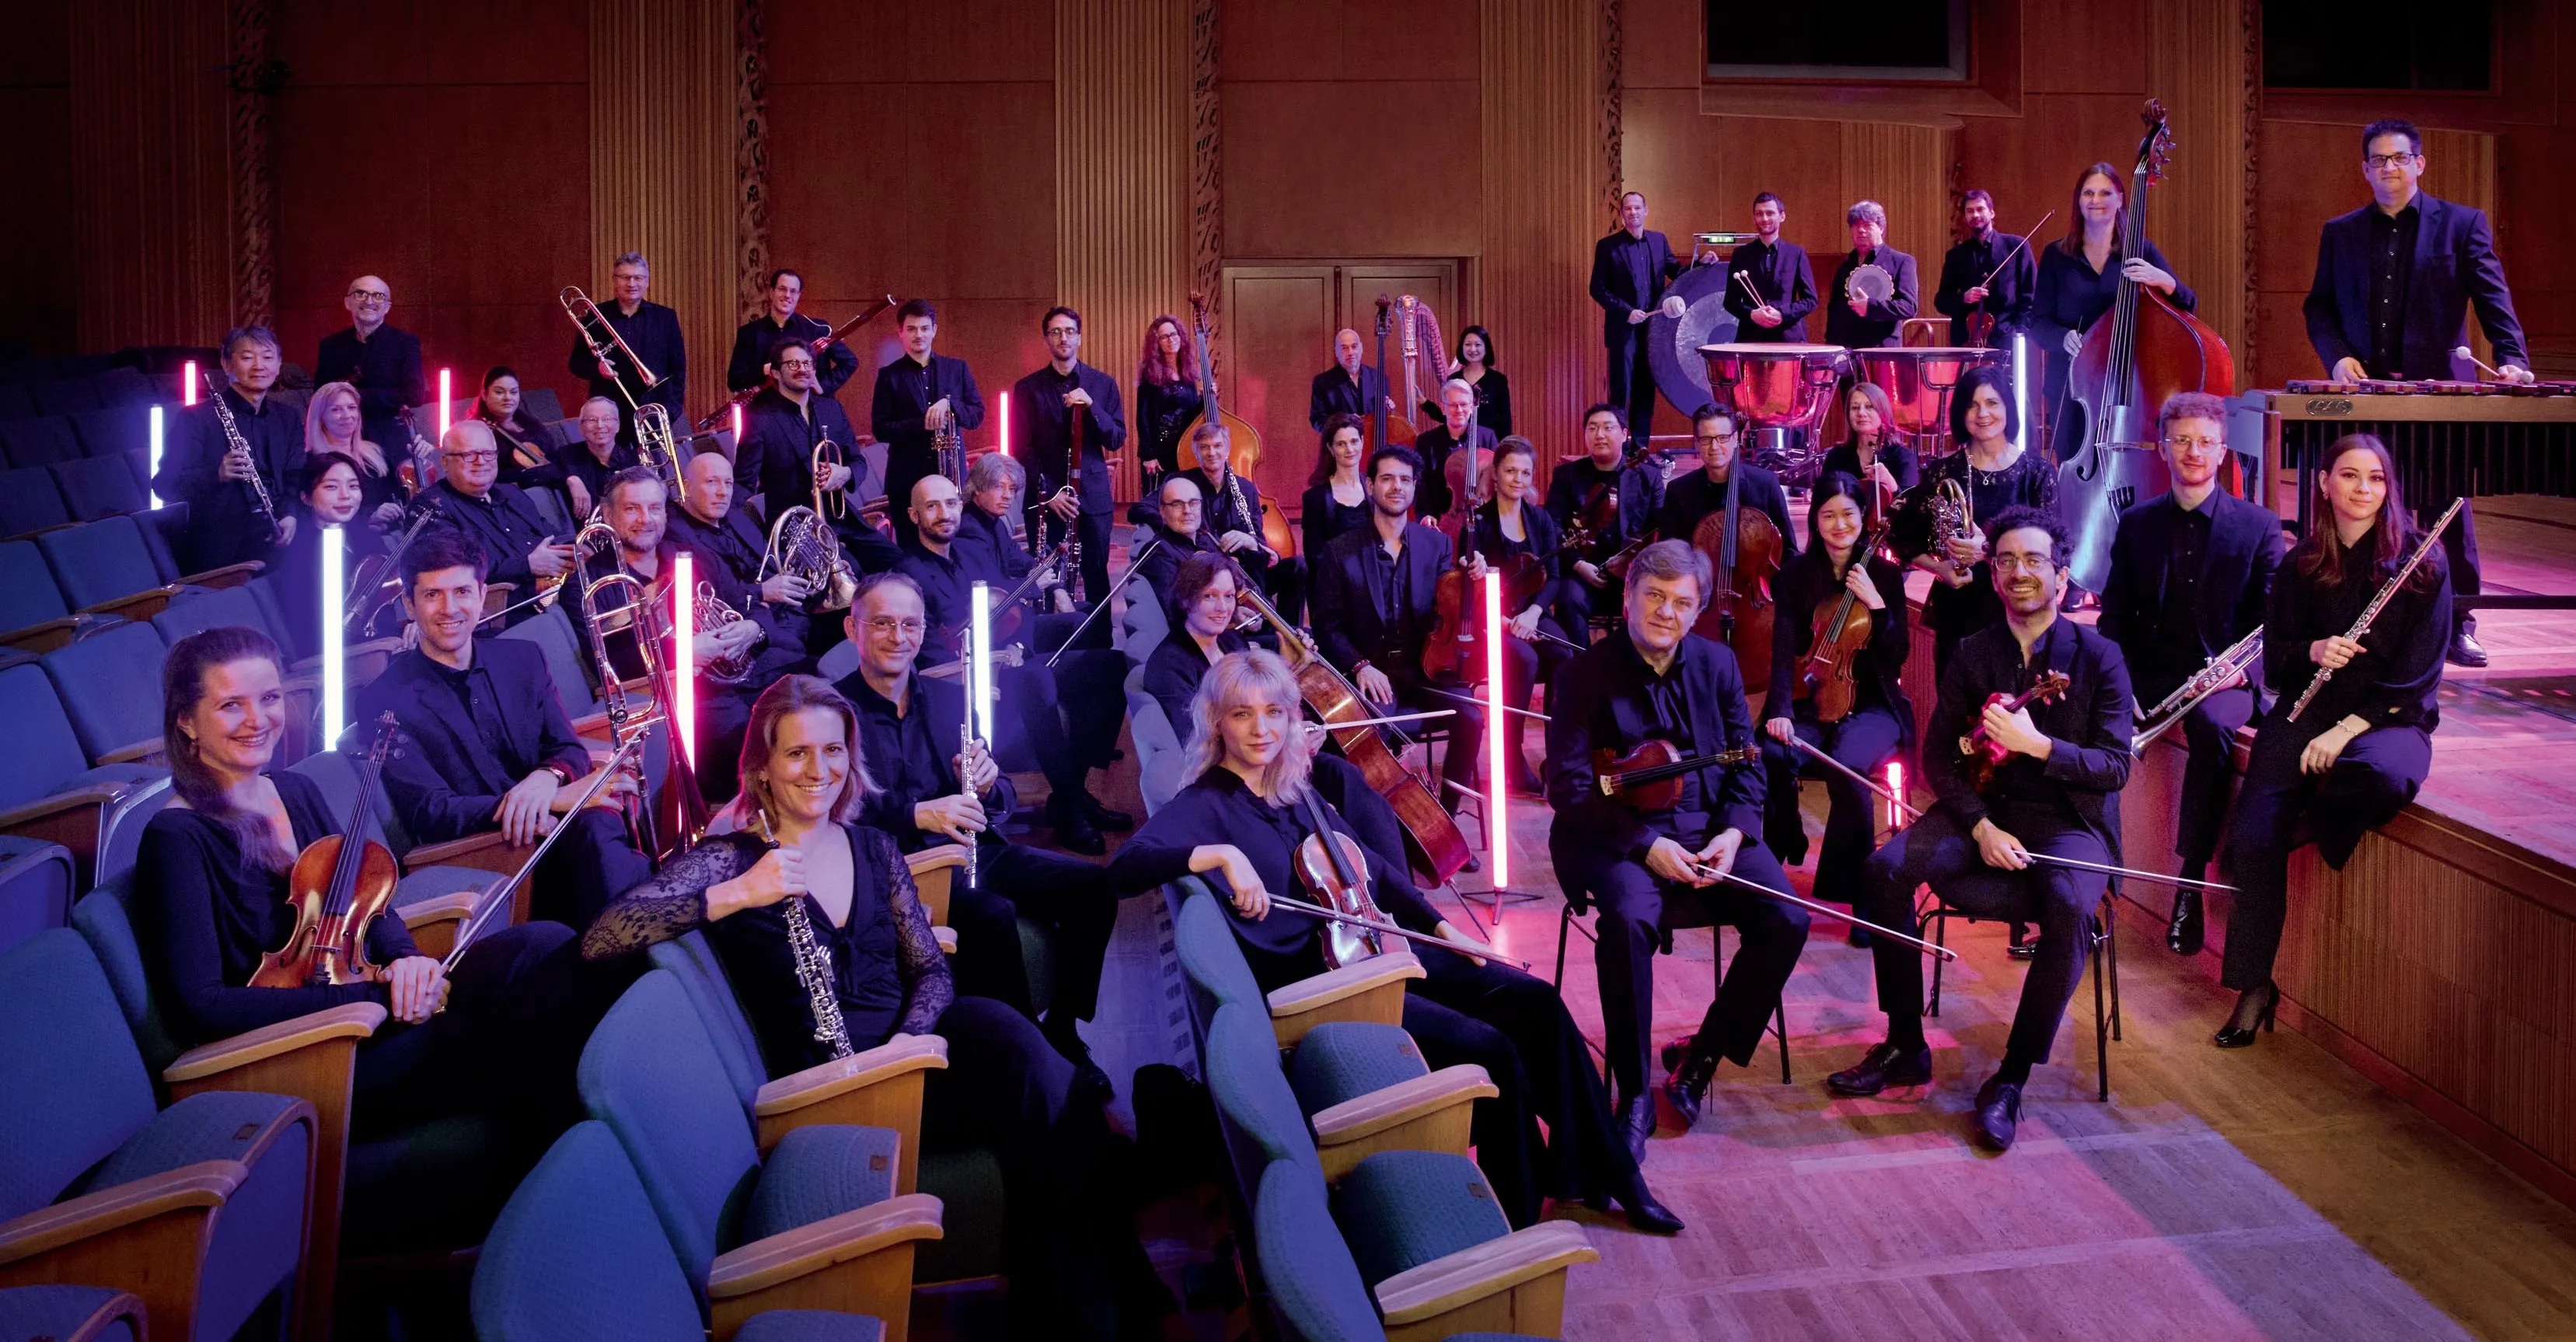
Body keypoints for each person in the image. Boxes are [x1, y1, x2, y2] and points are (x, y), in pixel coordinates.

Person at [579, 675, 1179, 1342]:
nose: (820, 771)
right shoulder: (731, 860)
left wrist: (911, 1041)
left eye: (833, 752)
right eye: (797, 754)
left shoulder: (873, 845)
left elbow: (928, 969)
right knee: (1052, 1107)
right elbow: (605, 936)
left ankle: (1082, 1303)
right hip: (851, 1083)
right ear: (762, 768)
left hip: (918, 1049)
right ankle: (1097, 1302)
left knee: (1048, 1084)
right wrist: (736, 896)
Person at [1112, 648, 1683, 1234]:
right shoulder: (1205, 805)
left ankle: (1604, 1173)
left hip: (1367, 945)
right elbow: (1125, 866)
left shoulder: (1293, 785)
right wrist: (1221, 855)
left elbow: (1372, 874)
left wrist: (1443, 928)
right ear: (1216, 722)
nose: (1261, 729)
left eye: (1274, 713)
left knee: (1536, 1002)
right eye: (1241, 715)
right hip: (1326, 990)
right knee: (1493, 1048)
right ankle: (1516, 1217)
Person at [137, 626, 631, 1161]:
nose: (258, 720)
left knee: (543, 947)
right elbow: (202, 1007)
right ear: (186, 720)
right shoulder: (175, 838)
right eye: (231, 705)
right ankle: (574, 1161)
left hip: (369, 993)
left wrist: (407, 960)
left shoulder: (294, 789)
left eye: (270, 698)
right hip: (316, 1047)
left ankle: (602, 1136)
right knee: (509, 1030)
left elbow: (365, 892)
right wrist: (375, 997)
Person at [1826, 507, 2131, 1153]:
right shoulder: (1974, 652)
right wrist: (1981, 825)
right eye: (2007, 561)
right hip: (1985, 813)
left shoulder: (2099, 656)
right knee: (1884, 870)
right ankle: (1905, 1043)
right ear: (1992, 573)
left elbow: (2113, 766)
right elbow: (1939, 757)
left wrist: (2040, 746)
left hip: (2068, 822)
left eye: (2034, 561)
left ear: (2062, 573)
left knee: (2072, 902)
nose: (2020, 573)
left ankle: (2012, 1078)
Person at [1547, 537, 1812, 1148]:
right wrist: (1644, 846)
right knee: (1628, 921)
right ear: (1630, 594)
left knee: (1786, 920)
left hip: (1710, 828)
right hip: (1616, 835)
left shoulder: (1718, 665)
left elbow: (1747, 764)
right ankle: (1635, 1093)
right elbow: (1570, 789)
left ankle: (1699, 1063)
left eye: (1681, 603)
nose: (1666, 612)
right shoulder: (1582, 675)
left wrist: (1735, 832)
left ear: (1697, 613)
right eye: (1655, 596)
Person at [828, 575, 1122, 1068]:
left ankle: (1063, 1028)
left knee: (1093, 888)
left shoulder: (949, 701)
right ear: (851, 628)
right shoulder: (833, 712)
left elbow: (999, 794)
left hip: (973, 850)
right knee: (989, 915)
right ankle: (1027, 1049)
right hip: (898, 873)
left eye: (910, 624)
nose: (898, 637)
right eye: (881, 623)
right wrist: (916, 813)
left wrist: (989, 784)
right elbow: (833, 810)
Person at [2218, 434, 2447, 1049]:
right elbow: (2276, 658)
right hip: (2306, 708)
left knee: (2382, 776)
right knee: (2251, 838)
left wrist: (2350, 727)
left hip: (2389, 716)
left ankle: (2312, 819)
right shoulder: (2300, 564)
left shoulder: (2422, 564)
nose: (2364, 490)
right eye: (2350, 476)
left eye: (2376, 479)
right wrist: (2314, 651)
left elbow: (2422, 674)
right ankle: (2254, 986)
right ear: (2323, 484)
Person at [2303, 117, 2532, 668]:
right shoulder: (2341, 231)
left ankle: (2458, 622)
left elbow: (2493, 299)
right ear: (2365, 170)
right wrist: (2336, 356)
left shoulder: (2461, 225)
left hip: (2439, 392)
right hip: (2366, 395)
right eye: (2379, 160)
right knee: (2364, 502)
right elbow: (2319, 306)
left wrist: (2513, 360)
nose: (2389, 168)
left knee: (2447, 507)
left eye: (2399, 158)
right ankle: (2363, 614)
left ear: (2419, 164)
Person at [357, 529, 653, 927]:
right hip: (488, 855)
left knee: (607, 826)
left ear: (481, 595)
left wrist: (547, 779)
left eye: (462, 591)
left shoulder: (522, 658)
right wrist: (546, 801)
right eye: (432, 595)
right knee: (600, 831)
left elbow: (566, 748)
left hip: (559, 834)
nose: (450, 608)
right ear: (409, 604)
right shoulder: (383, 698)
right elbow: (430, 811)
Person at [2096, 392, 2281, 955]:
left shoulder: (2259, 526)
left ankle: (2188, 882)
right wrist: (2119, 683)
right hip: (2153, 675)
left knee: (2211, 727)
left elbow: (2276, 626)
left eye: (2205, 441)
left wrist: (2241, 674)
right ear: (2162, 448)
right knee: (2091, 731)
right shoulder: (2137, 523)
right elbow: (2113, 619)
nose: (2194, 451)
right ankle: (2096, 891)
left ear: (2223, 452)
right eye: (2182, 440)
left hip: (2227, 680)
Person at [895, 474, 1129, 852]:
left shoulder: (970, 552)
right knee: (1035, 678)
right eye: (932, 506)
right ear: (913, 515)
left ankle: (1073, 791)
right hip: (963, 686)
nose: (944, 514)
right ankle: (1070, 810)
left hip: (1008, 661)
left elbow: (1013, 607)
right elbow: (928, 655)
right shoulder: (908, 574)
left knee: (1113, 665)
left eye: (951, 503)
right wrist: (991, 660)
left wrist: (1017, 644)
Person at [1758, 473, 1912, 937]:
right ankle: (1782, 845)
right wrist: (1781, 708)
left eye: (1849, 514)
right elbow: (1784, 649)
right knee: (1767, 754)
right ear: (1816, 520)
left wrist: (1877, 606)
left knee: (1847, 768)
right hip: (1809, 700)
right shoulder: (1796, 576)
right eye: (1829, 515)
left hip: (1873, 706)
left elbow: (1897, 654)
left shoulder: (1884, 574)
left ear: (1863, 518)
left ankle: (1865, 898)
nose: (1839, 524)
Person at [1311, 445, 1489, 820]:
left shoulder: (1437, 544)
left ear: (1413, 488)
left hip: (1424, 670)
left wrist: (1472, 576)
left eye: (1405, 480)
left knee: (1472, 718)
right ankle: (1387, 825)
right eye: (1387, 478)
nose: (1397, 487)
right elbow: (1327, 627)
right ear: (1370, 484)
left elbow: (1450, 604)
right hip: (1372, 673)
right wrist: (1359, 665)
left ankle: (1444, 819)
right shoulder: (1339, 550)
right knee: (1377, 731)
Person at [581, 467, 766, 802]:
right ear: (608, 514)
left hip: (741, 678)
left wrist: (753, 628)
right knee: (757, 737)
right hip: (674, 702)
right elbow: (607, 664)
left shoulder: (691, 555)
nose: (645, 519)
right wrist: (684, 652)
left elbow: (749, 603)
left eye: (655, 508)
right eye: (632, 509)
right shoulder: (593, 582)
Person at [1900, 364, 2055, 677]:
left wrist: (1987, 551)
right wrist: (1939, 568)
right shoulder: (1943, 472)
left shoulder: (2036, 474)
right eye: (1972, 404)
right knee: (1959, 714)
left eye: (1992, 403)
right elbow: (1902, 537)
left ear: (2008, 408)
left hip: (2020, 608)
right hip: (1959, 611)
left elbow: (2054, 549)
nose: (1982, 413)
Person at [2030, 163, 2194, 453]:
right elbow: (2039, 323)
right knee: (2072, 464)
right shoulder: (2056, 255)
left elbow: (2188, 306)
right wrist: (2062, 337)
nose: (2096, 201)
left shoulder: (2141, 251)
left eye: (2105, 193)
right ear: (2078, 201)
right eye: (2088, 193)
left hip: (2127, 385)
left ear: (2120, 200)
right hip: (2070, 384)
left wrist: (2164, 280)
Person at [1464, 435, 1576, 795]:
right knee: (1524, 660)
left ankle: (1557, 759)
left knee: (1565, 656)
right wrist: (1500, 620)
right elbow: (1468, 587)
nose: (1518, 479)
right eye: (1510, 471)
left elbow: (1554, 577)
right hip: (1489, 620)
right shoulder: (1477, 523)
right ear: (1495, 474)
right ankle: (1511, 759)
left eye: (1525, 472)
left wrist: (1532, 613)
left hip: (1530, 613)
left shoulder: (1540, 520)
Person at [740, 335, 898, 574]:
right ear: (775, 372)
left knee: (900, 563)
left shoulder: (831, 408)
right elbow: (743, 482)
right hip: (795, 531)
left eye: (807, 364)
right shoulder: (759, 418)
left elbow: (858, 461)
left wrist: (844, 473)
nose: (802, 369)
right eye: (792, 364)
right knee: (850, 571)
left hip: (841, 519)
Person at [161, 325, 302, 573]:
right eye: (247, 357)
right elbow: (164, 484)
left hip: (276, 540)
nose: (259, 365)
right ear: (226, 364)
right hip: (221, 550)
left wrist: (290, 514)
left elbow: (295, 475)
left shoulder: (287, 417)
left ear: (279, 365)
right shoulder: (195, 419)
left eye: (268, 357)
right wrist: (217, 474)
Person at [666, 449, 824, 671]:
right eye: (712, 482)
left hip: (792, 613)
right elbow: (709, 601)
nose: (723, 493)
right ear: (687, 486)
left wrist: (813, 567)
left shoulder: (736, 516)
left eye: (728, 483)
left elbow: (769, 564)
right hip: (759, 635)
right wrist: (762, 592)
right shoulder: (678, 537)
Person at [1014, 306, 1127, 605]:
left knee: (1096, 577)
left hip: (1092, 498)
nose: (1063, 338)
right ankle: (1054, 644)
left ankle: (1101, 644)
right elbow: (1021, 449)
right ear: (1046, 340)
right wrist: (1050, 494)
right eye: (1056, 332)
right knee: (1049, 580)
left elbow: (1116, 438)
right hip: (1045, 499)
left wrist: (1092, 407)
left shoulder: (1103, 385)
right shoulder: (1027, 389)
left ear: (1079, 337)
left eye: (1069, 332)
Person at [419, 419, 574, 626]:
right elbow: (455, 572)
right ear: (445, 462)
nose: (481, 461)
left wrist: (580, 547)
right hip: (502, 611)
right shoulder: (432, 506)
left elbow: (551, 536)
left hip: (553, 592)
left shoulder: (511, 493)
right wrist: (528, 565)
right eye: (468, 455)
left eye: (488, 454)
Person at [870, 299, 985, 548]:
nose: (918, 335)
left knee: (954, 547)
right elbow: (880, 429)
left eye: (924, 328)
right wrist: (923, 424)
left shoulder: (957, 369)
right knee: (912, 551)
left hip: (951, 479)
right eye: (911, 329)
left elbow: (977, 415)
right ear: (900, 332)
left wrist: (951, 404)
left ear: (935, 329)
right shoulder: (889, 376)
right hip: (907, 481)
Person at [1545, 403, 1660, 635]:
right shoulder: (1567, 476)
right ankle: (1581, 667)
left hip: (1633, 573)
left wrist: (1631, 561)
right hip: (1582, 571)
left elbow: (1658, 530)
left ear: (1625, 434)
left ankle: (1633, 668)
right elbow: (1551, 526)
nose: (1600, 435)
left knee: (1648, 600)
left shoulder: (1649, 477)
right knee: (1569, 597)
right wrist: (1578, 564)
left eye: (1608, 428)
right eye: (1592, 428)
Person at [267, 452, 393, 660]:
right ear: (305, 497)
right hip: (343, 661)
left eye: (353, 486)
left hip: (386, 646)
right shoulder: (298, 552)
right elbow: (313, 633)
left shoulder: (367, 537)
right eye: (331, 487)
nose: (345, 495)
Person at [1590, 191, 1691, 446]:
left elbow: (1677, 272)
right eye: (1628, 208)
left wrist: (1702, 264)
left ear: (1646, 211)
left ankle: (1640, 449)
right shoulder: (1608, 246)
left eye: (1638, 208)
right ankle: (1619, 449)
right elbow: (1598, 288)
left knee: (1646, 390)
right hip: (1623, 329)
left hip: (1653, 329)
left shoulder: (1658, 241)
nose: (1633, 212)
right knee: (1621, 391)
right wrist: (1626, 311)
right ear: (1622, 214)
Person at [1655, 404, 1797, 568]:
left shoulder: (1766, 484)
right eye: (1706, 439)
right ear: (1697, 443)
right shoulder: (1678, 490)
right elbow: (1668, 553)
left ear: (1735, 439)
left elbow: (1789, 552)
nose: (1714, 447)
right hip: (1701, 589)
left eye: (1722, 438)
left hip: (1758, 589)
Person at [565, 251, 687, 440]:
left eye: (638, 278)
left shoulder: (665, 317)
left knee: (655, 467)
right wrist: (597, 369)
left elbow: (678, 369)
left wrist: (672, 410)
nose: (631, 284)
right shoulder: (595, 315)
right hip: (609, 412)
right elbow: (576, 363)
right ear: (614, 281)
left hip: (654, 410)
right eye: (625, 277)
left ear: (647, 281)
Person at [1179, 421, 1288, 620]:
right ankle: (1259, 621)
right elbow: (1141, 510)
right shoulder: (1183, 483)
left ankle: (1288, 632)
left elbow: (1257, 536)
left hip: (1247, 571)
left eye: (1218, 446)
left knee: (1297, 568)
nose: (1212, 453)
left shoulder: (1245, 488)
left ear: (1228, 449)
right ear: (1196, 452)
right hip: (1208, 573)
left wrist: (1250, 541)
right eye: (1205, 447)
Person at [313, 275, 428, 457]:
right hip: (341, 438)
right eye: (361, 294)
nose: (369, 301)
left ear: (388, 306)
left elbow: (415, 395)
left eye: (378, 296)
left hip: (388, 438)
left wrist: (356, 395)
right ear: (347, 302)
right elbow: (321, 394)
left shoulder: (405, 343)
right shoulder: (330, 345)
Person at [725, 267, 858, 398]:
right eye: (782, 289)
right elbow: (734, 380)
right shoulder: (749, 333)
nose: (788, 295)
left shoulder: (817, 328)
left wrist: (823, 387)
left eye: (793, 291)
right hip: (766, 412)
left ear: (799, 295)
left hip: (810, 411)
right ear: (772, 292)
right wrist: (764, 370)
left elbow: (850, 362)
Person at [1932, 190, 2037, 346]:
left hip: (2007, 340)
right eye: (1970, 211)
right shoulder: (1955, 255)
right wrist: (1963, 298)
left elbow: (2031, 295)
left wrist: (2018, 331)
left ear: (1992, 213)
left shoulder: (2017, 247)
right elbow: (1941, 301)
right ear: (1965, 217)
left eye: (1980, 209)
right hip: (1967, 341)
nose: (1975, 215)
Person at [303, 380, 403, 531]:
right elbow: (312, 517)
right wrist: (369, 518)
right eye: (336, 410)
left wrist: (417, 461)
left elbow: (399, 496)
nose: (347, 415)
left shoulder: (375, 453)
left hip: (391, 537)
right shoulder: (311, 461)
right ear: (321, 417)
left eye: (352, 408)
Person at [1721, 192, 1820, 344]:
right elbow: (1730, 301)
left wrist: (1782, 314)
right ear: (1754, 218)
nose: (1764, 219)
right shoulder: (1741, 255)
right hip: (1750, 339)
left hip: (1788, 340)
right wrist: (1751, 314)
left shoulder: (1796, 254)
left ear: (1782, 216)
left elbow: (1810, 300)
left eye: (1770, 213)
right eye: (1759, 214)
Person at [1824, 200, 1920, 351]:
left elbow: (1909, 307)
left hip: (1881, 351)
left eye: (1867, 225)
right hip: (1846, 352)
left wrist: (1871, 307)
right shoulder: (1845, 265)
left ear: (1881, 228)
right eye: (1855, 225)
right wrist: (1830, 348)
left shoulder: (1902, 261)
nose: (1861, 230)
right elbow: (1834, 311)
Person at [1817, 379, 1918, 522]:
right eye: (1855, 407)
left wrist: (1889, 482)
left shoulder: (1903, 456)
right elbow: (1821, 503)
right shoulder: (1836, 456)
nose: (1861, 413)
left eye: (1869, 407)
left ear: (1882, 412)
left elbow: (1913, 511)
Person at [1301, 413, 1373, 610]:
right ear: (1330, 449)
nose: (1349, 449)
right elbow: (1315, 557)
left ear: (1362, 442)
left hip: (1373, 585)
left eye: (1354, 441)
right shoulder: (1315, 498)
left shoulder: (1376, 489)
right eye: (1341, 444)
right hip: (1333, 592)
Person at [1136, 473, 1226, 617]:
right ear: (1162, 511)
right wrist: (1232, 615)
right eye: (1177, 504)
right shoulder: (1159, 553)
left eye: (1194, 503)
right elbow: (1179, 612)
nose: (1187, 511)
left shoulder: (1205, 541)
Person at [1135, 313, 1203, 496]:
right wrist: (1148, 455)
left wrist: (1206, 399)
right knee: (1160, 504)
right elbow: (1143, 418)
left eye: (1174, 334)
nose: (1170, 339)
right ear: (1156, 343)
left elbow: (1191, 415)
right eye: (1164, 337)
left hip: (1185, 450)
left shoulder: (1187, 373)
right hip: (1160, 451)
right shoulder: (1150, 375)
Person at [476, 366, 568, 498]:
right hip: (525, 496)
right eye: (499, 392)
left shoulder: (532, 424)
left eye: (514, 392)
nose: (508, 397)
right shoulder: (478, 433)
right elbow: (489, 475)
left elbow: (554, 457)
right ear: (485, 395)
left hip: (555, 489)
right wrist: (531, 474)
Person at [1414, 377, 1496, 523]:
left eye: (1464, 404)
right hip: (1440, 521)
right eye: (1452, 405)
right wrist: (1426, 514)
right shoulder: (1426, 442)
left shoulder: (1487, 437)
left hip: (1482, 520)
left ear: (1472, 408)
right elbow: (1420, 485)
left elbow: (1497, 481)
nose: (1459, 410)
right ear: (1442, 408)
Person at [550, 396, 641, 520]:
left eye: (607, 419)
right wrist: (570, 479)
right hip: (588, 534)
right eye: (592, 420)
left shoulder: (636, 460)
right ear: (581, 428)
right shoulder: (566, 455)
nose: (600, 425)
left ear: (618, 425)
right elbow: (530, 474)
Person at [1307, 327, 1391, 433]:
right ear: (1336, 352)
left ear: (1361, 348)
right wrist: (1343, 423)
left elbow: (1384, 418)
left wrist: (1390, 411)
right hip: (1341, 446)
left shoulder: (1380, 378)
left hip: (1374, 443)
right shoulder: (1322, 382)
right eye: (1344, 348)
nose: (1350, 352)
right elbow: (1317, 421)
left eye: (1354, 346)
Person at [1450, 325, 1513, 437]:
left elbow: (1505, 422)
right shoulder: (1453, 380)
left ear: (1486, 349)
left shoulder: (1498, 381)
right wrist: (1425, 403)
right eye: (1468, 344)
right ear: (1462, 348)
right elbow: (1448, 416)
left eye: (1478, 345)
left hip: (1490, 447)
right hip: (1460, 446)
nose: (1472, 349)